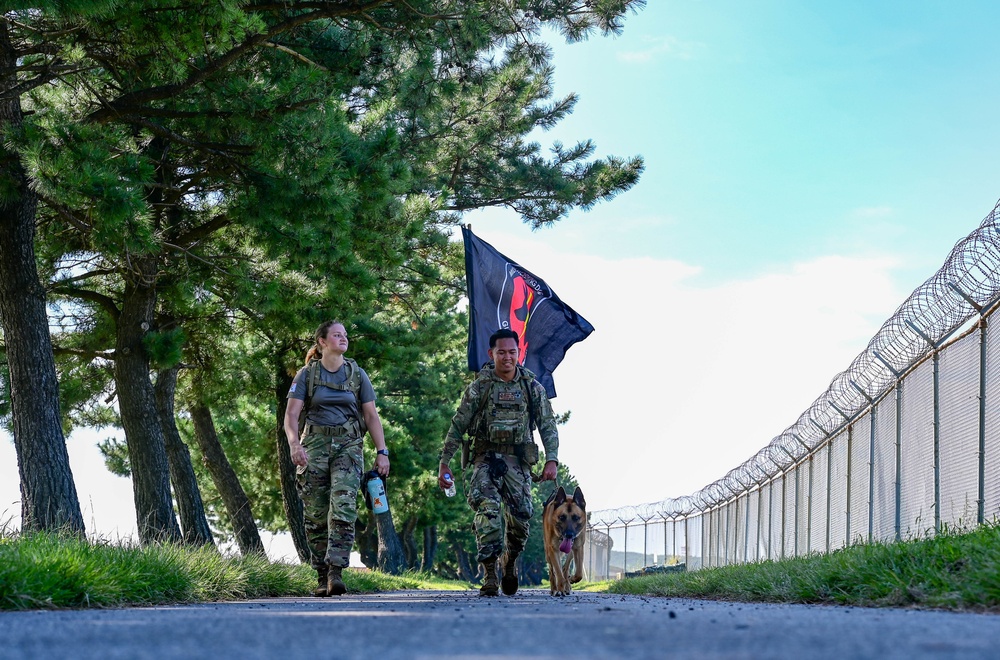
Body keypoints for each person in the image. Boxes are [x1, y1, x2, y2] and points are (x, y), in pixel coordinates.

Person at [437, 328, 559, 597]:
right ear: (492, 354)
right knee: (488, 512)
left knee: (520, 518)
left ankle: (510, 562)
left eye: (512, 352)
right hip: (486, 460)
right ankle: (490, 574)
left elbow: (547, 425)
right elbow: (458, 424)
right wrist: (444, 462)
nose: (507, 357)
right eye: (501, 352)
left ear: (519, 353)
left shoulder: (531, 387)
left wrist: (552, 459)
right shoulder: (480, 386)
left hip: (518, 461)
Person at [284, 320, 390, 597]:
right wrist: (295, 445)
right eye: (336, 335)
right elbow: (292, 416)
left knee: (343, 506)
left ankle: (336, 571)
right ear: (322, 342)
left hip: (348, 446)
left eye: (345, 335)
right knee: (316, 515)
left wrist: (382, 451)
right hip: (314, 447)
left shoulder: (357, 374)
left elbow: (371, 416)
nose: (343, 339)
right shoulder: (307, 375)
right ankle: (321, 574)